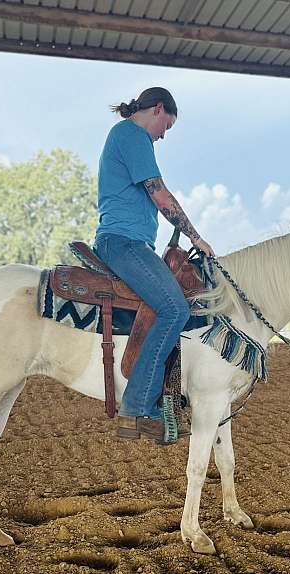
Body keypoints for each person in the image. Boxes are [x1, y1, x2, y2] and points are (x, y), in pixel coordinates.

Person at [93, 86, 215, 443]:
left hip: (134, 242)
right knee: (174, 308)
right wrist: (195, 237)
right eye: (167, 126)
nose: (163, 135)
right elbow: (159, 194)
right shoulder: (131, 135)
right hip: (123, 243)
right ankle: (136, 407)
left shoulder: (129, 138)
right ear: (157, 109)